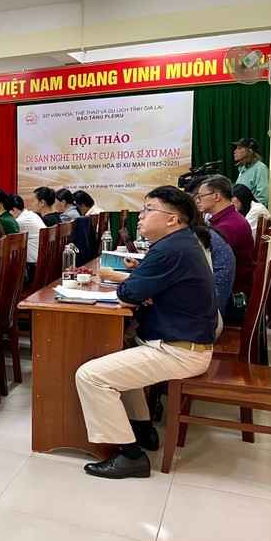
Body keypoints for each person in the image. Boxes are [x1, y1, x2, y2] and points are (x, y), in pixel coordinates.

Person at [76, 186, 217, 479]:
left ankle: (131, 456)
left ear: (171, 219)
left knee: (90, 375)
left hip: (179, 350)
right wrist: (145, 288)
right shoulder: (179, 243)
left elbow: (127, 294)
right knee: (123, 353)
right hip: (185, 343)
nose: (141, 216)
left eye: (149, 209)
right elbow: (140, 290)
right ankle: (143, 430)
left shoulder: (169, 249)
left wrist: (142, 289)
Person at [195, 176, 255, 296]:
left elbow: (208, 263)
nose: (197, 201)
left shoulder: (228, 226)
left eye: (200, 196)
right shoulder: (229, 219)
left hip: (231, 291)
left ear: (216, 196)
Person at [8, 193, 46, 282]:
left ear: (14, 210)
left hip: (33, 267)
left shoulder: (20, 221)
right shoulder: (31, 214)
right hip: (42, 262)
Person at [232, 137, 269, 206]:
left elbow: (263, 197)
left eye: (239, 148)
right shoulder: (242, 169)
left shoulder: (260, 168)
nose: (235, 151)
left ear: (250, 151)